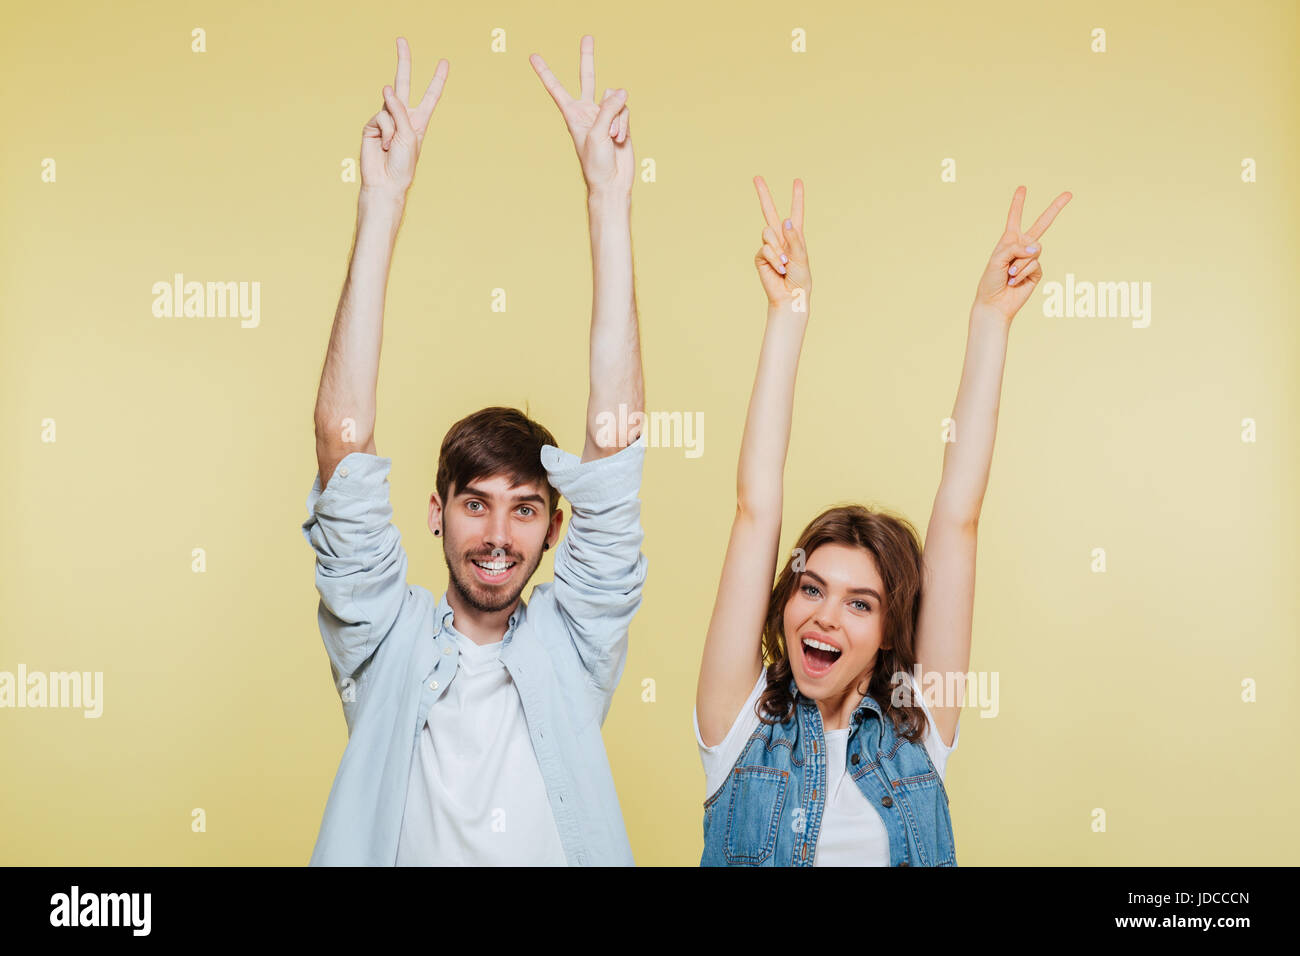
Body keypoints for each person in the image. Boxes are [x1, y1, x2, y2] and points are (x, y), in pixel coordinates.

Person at [302, 35, 646, 866]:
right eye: (476, 502)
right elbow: (340, 442)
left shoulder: (574, 645)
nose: (498, 534)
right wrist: (381, 205)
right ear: (437, 512)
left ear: (555, 528)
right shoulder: (386, 641)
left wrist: (608, 200)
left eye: (525, 508)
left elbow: (614, 441)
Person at [694, 177, 1070, 866]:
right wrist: (789, 313)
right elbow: (756, 508)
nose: (825, 618)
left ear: (891, 627)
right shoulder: (739, 725)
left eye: (860, 603)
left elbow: (959, 517)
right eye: (812, 588)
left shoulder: (919, 730)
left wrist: (991, 320)